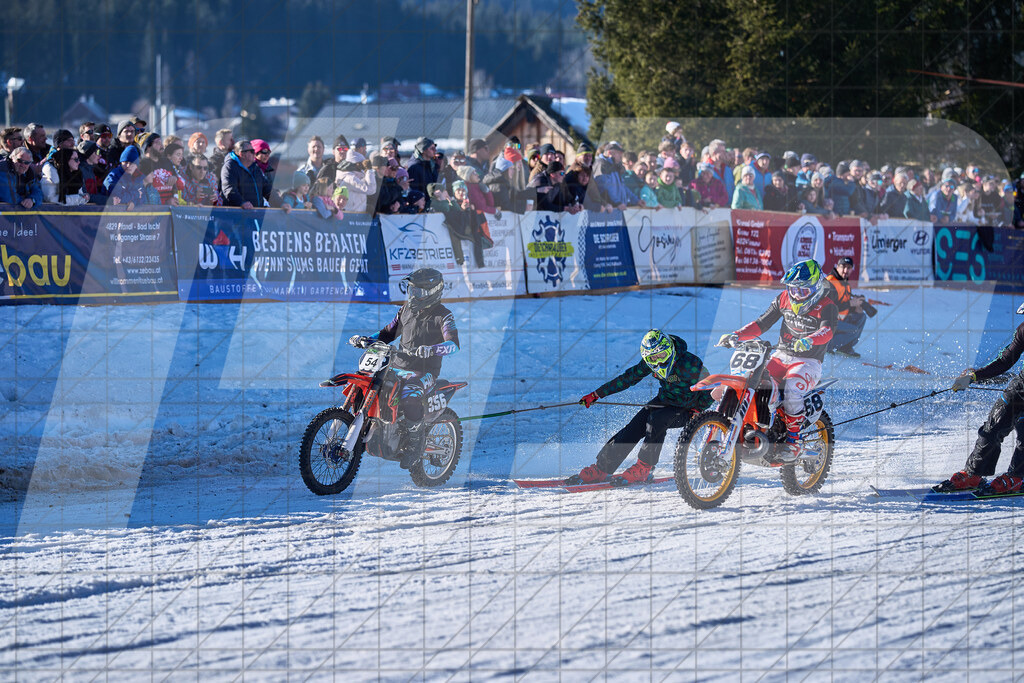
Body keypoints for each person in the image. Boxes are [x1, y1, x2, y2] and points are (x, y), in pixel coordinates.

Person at [720, 260, 838, 461]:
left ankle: (794, 440)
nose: (796, 295)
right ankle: (753, 426)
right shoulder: (784, 298)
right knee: (753, 380)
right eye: (793, 289)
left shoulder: (827, 306)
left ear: (817, 287)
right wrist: (737, 335)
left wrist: (810, 340)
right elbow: (762, 323)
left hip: (808, 361)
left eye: (803, 291)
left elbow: (827, 332)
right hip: (781, 355)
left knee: (792, 388)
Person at [566, 330, 713, 486]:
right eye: (652, 359)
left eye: (661, 356)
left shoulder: (690, 363)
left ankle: (644, 467)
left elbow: (710, 387)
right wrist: (597, 394)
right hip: (664, 401)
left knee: (656, 420)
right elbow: (628, 378)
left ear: (669, 350)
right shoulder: (651, 364)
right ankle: (602, 468)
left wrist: (698, 410)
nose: (658, 362)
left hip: (688, 409)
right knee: (634, 426)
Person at [349, 268, 460, 469]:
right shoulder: (406, 309)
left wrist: (432, 349)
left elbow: (453, 345)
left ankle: (415, 445)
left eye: (419, 292)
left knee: (410, 395)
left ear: (433, 291)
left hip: (424, 372)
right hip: (397, 365)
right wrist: (367, 339)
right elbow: (387, 333)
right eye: (412, 290)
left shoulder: (444, 315)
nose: (414, 295)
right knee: (372, 384)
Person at [937, 306, 1024, 494]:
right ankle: (973, 474)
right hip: (1021, 386)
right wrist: (974, 376)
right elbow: (1005, 361)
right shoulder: (1023, 330)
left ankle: (1018, 477)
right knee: (992, 428)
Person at [825, 257, 868, 358]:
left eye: (848, 268)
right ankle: (827, 345)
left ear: (852, 269)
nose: (845, 270)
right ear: (837, 267)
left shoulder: (845, 284)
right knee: (854, 330)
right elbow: (828, 308)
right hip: (826, 321)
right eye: (843, 267)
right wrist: (850, 303)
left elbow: (845, 306)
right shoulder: (830, 282)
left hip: (839, 319)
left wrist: (857, 305)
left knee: (861, 317)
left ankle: (845, 347)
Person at [220, 140, 268, 209]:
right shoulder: (229, 167)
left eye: (254, 151)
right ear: (242, 154)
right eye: (251, 151)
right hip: (236, 215)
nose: (254, 153)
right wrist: (242, 202)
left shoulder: (255, 167)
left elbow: (267, 189)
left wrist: (282, 203)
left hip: (255, 214)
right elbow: (229, 189)